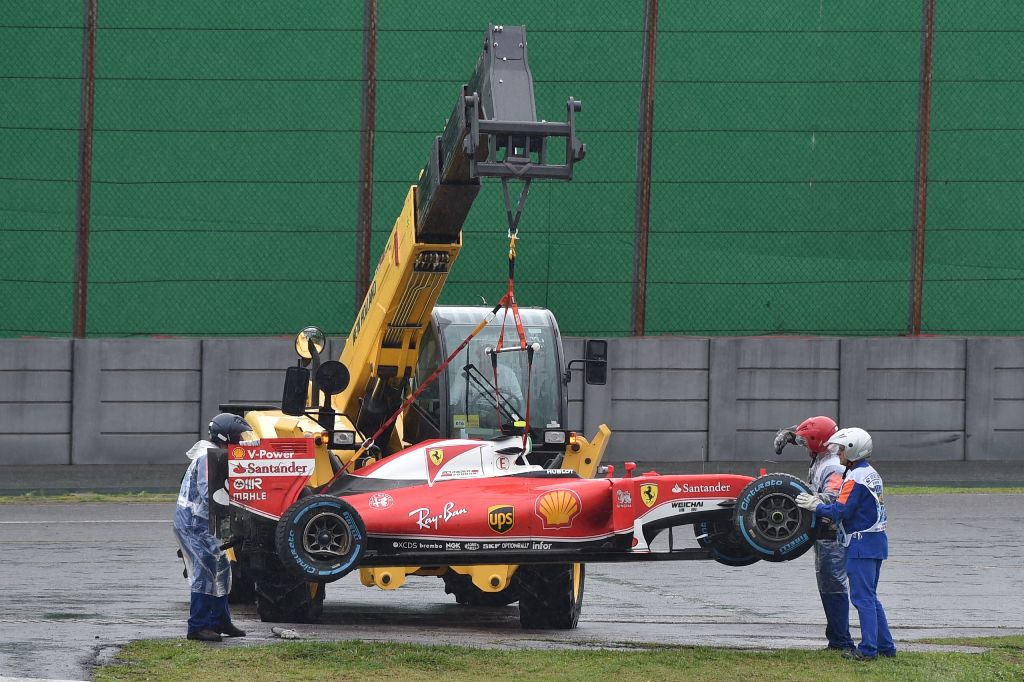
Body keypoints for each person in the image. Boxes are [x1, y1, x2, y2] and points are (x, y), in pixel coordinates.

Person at [796, 427, 896, 661]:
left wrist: (815, 505)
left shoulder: (855, 476)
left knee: (862, 598)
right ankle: (886, 647)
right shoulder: (870, 472)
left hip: (861, 543)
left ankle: (869, 650)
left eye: (841, 450)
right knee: (870, 597)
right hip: (875, 541)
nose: (838, 454)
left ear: (853, 450)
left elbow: (841, 510)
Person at [774, 416, 855, 652]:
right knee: (827, 584)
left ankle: (841, 642)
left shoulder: (832, 465)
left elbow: (834, 497)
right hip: (823, 532)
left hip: (833, 534)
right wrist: (790, 435)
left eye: (805, 443)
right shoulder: (823, 454)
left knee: (833, 585)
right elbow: (814, 432)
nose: (803, 447)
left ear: (817, 442)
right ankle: (837, 639)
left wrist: (809, 499)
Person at [173, 413, 251, 642]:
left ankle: (220, 621)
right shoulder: (208, 458)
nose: (240, 441)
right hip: (193, 523)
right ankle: (197, 626)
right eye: (237, 436)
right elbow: (211, 495)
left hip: (202, 523)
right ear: (225, 436)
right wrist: (236, 518)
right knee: (206, 569)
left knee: (223, 567)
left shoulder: (215, 454)